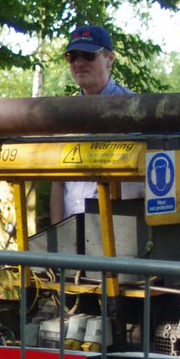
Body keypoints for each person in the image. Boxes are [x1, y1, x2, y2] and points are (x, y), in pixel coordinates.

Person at [49, 24, 141, 225]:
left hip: (123, 232)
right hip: (72, 236)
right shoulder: (64, 116)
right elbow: (58, 183)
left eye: (88, 55)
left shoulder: (137, 111)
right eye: (72, 56)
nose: (79, 62)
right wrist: (57, 236)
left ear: (110, 59)